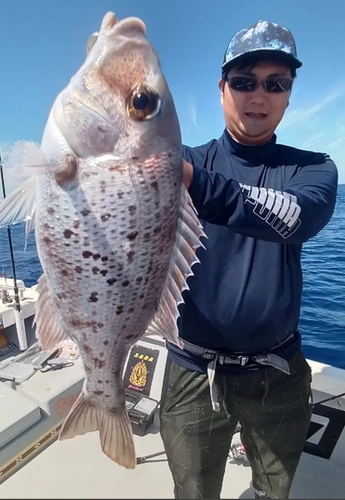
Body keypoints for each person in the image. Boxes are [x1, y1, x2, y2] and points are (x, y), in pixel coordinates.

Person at [159, 20, 338, 499]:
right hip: (192, 371)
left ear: (288, 95)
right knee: (193, 492)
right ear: (222, 89)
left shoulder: (314, 168)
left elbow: (293, 218)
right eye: (243, 81)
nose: (259, 95)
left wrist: (186, 179)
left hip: (277, 372)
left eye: (275, 83)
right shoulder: (181, 159)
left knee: (271, 492)